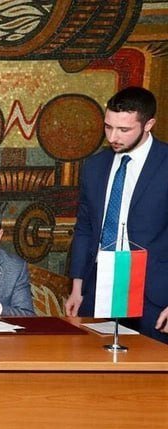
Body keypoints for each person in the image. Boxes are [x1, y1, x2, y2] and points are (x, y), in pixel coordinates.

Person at [65, 86, 168, 344]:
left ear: (149, 124)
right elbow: (85, 228)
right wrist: (77, 287)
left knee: (150, 366)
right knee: (92, 360)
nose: (113, 137)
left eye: (124, 129)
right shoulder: (95, 165)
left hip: (154, 293)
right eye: (108, 127)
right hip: (99, 287)